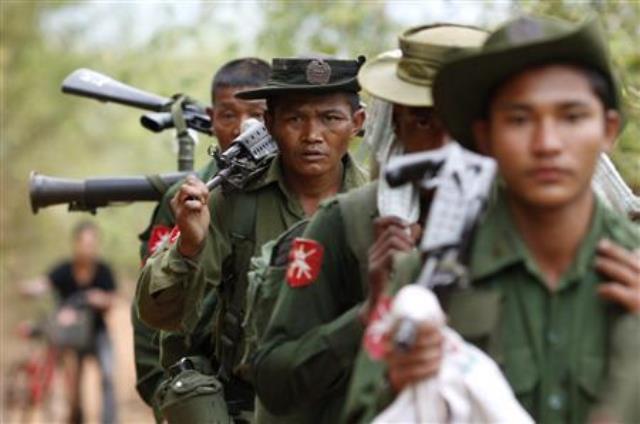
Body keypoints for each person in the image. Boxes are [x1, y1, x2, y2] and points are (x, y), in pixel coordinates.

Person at [344, 16, 640, 424]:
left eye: (571, 117)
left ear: (607, 130)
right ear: (484, 137)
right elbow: (360, 411)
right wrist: (398, 383)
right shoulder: (430, 278)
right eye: (519, 119)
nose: (547, 144)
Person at [251, 24, 488, 424]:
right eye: (425, 122)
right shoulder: (347, 224)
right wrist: (369, 315)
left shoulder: (539, 225)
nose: (446, 148)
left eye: (463, 122)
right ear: (397, 123)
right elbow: (275, 378)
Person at [136, 56, 368, 421]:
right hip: (250, 406)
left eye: (330, 118)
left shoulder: (380, 203)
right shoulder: (230, 201)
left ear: (357, 123)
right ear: (270, 123)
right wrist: (189, 246)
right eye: (295, 119)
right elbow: (158, 313)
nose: (312, 135)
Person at [131, 57, 271, 420]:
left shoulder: (294, 188)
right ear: (211, 117)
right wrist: (162, 391)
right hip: (207, 390)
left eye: (256, 115)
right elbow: (150, 307)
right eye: (228, 115)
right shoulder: (186, 199)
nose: (242, 129)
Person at [22, 221, 117, 424]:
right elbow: (44, 283)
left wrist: (98, 298)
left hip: (97, 334)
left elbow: (111, 300)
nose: (88, 248)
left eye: (93, 243)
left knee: (107, 375)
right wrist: (29, 288)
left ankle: (109, 421)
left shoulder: (103, 271)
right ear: (76, 243)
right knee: (74, 381)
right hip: (73, 337)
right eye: (85, 243)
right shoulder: (64, 269)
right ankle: (76, 416)